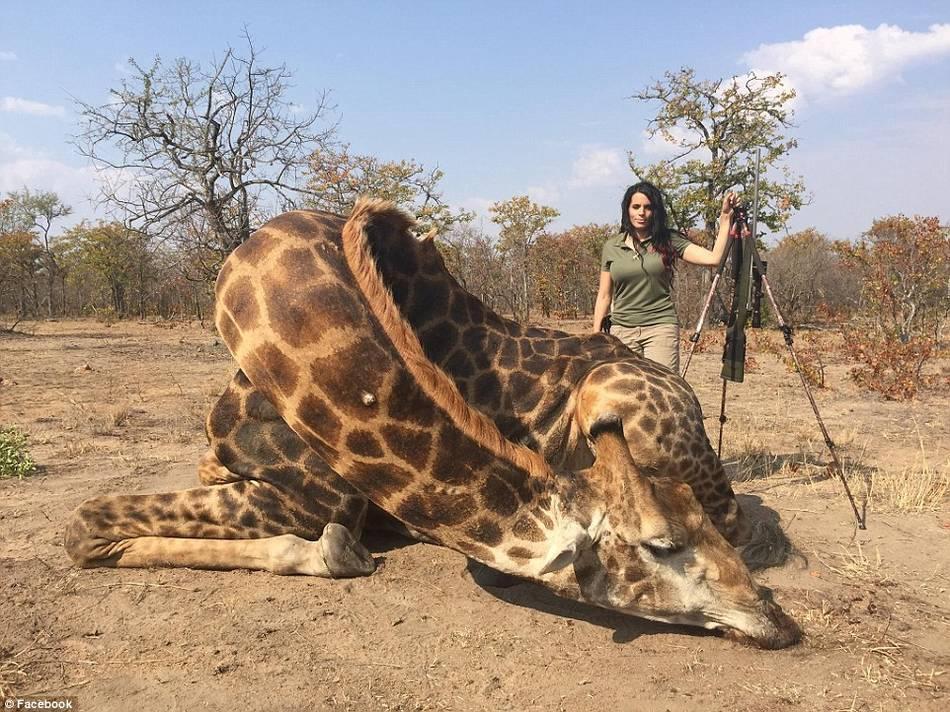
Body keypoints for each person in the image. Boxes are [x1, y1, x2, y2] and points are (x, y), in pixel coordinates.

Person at [592, 181, 737, 372]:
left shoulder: (668, 240)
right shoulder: (612, 246)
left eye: (647, 207)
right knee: (624, 394)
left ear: (655, 211)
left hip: (660, 329)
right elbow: (604, 296)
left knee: (661, 393)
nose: (641, 213)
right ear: (627, 210)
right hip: (622, 331)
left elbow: (713, 258)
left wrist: (725, 218)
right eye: (635, 207)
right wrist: (595, 338)